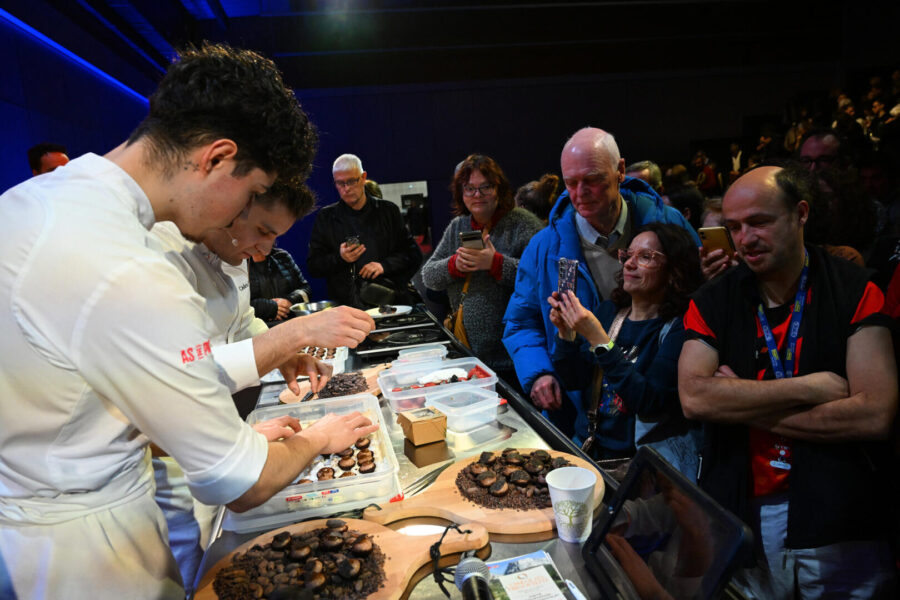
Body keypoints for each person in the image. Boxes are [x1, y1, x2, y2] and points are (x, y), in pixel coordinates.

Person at [0, 43, 377, 599]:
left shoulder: (28, 202)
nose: (239, 217)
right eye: (250, 194)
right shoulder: (128, 268)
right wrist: (317, 438)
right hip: (89, 556)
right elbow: (238, 482)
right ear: (216, 159)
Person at [678, 166, 897, 599]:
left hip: (841, 515)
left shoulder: (855, 287)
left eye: (759, 222)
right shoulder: (713, 299)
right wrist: (809, 387)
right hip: (743, 511)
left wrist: (739, 402)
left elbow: (875, 414)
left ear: (800, 214)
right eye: (734, 227)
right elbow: (693, 397)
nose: (745, 239)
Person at [148, 178, 336, 590]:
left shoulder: (234, 249)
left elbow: (242, 320)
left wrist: (283, 353)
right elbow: (183, 373)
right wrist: (290, 336)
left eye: (275, 237)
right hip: (164, 456)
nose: (265, 249)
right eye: (263, 231)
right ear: (228, 204)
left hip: (211, 426)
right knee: (186, 569)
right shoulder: (159, 255)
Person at [503, 127, 699, 443]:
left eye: (592, 179)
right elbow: (521, 322)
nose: (580, 192)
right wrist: (538, 372)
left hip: (659, 414)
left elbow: (699, 302)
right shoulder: (543, 246)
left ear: (620, 170)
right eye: (571, 183)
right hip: (583, 414)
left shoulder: (669, 223)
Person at [547, 223, 703, 475]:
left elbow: (650, 403)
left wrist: (599, 340)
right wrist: (565, 334)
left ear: (674, 270)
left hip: (639, 464)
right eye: (628, 255)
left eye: (645, 257)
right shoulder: (610, 312)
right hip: (586, 448)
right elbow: (574, 379)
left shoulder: (678, 328)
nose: (629, 264)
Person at [421, 154, 543, 383]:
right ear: (461, 193)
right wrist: (454, 265)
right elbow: (428, 276)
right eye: (469, 188)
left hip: (515, 358)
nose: (477, 195)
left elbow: (541, 279)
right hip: (467, 355)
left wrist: (496, 264)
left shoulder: (523, 224)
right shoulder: (458, 225)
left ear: (499, 189)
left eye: (485, 187)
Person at [307, 154, 422, 307]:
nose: (346, 188)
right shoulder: (326, 217)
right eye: (340, 183)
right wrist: (340, 258)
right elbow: (314, 266)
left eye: (351, 181)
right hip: (347, 307)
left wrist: (384, 266)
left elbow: (413, 255)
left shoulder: (388, 211)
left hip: (389, 303)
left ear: (363, 178)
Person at [249, 247, 313, 323]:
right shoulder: (238, 264)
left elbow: (306, 288)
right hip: (257, 326)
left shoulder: (282, 256)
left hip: (290, 322)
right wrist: (268, 307)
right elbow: (237, 305)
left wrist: (289, 300)